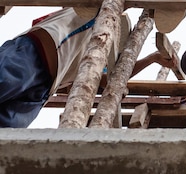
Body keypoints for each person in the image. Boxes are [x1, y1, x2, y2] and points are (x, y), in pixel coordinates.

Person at [0, 7, 172, 128]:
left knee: (6, 135)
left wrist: (152, 59)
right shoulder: (95, 9)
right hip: (33, 53)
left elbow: (110, 78)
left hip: (44, 87)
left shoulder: (96, 53)